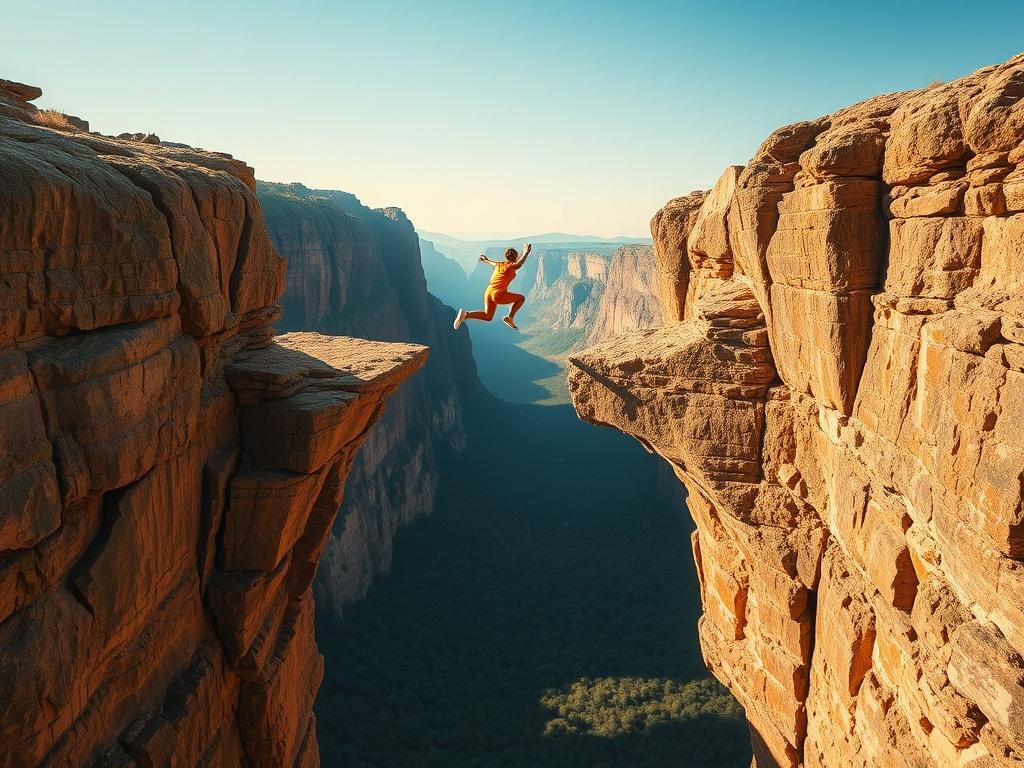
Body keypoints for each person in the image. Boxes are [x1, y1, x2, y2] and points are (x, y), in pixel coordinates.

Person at [454, 243, 532, 330]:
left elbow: (492, 263)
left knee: (488, 316)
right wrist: (526, 253)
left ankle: (466, 315)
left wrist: (485, 260)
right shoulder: (511, 267)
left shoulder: (499, 264)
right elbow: (519, 264)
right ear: (515, 257)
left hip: (488, 292)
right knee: (521, 298)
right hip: (497, 295)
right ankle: (510, 317)